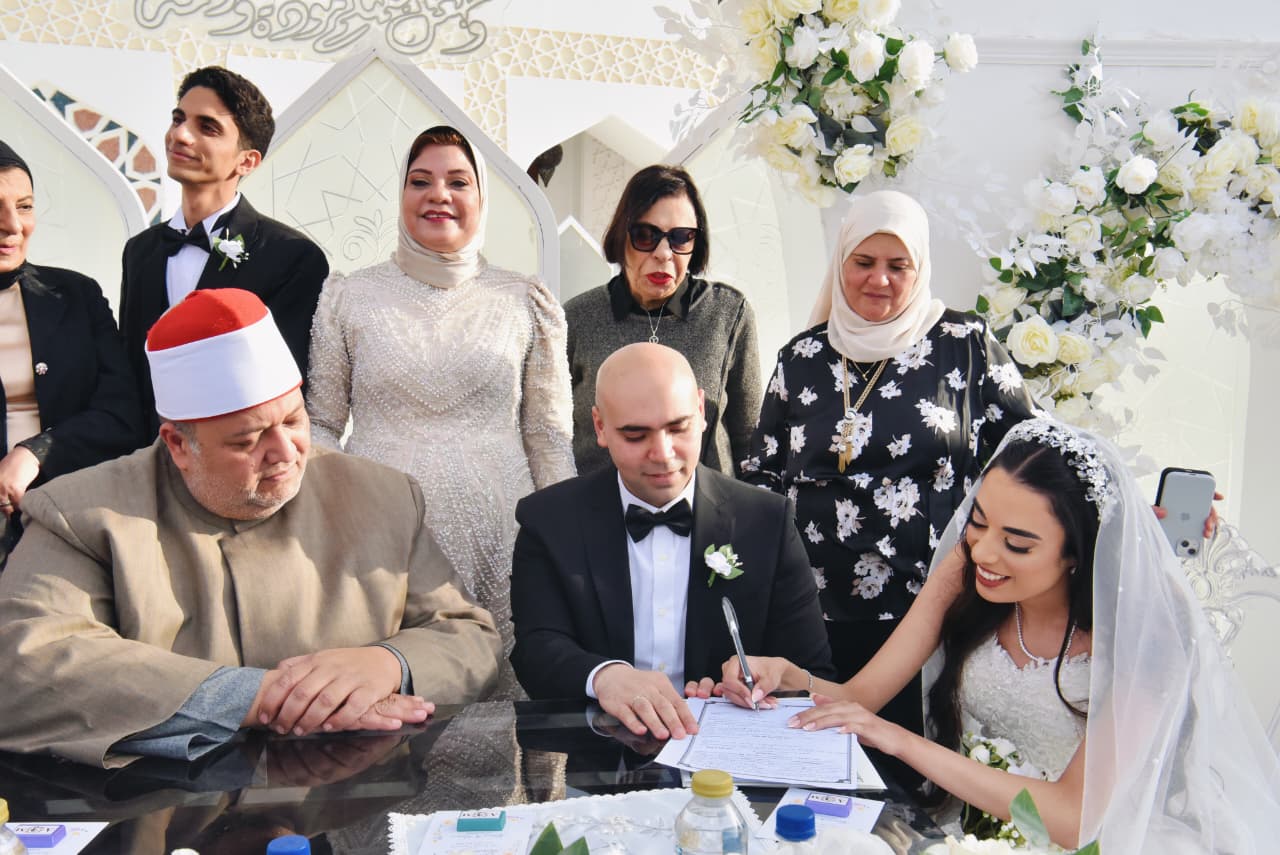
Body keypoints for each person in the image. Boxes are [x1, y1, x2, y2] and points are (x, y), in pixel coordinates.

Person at [723, 418, 1280, 850]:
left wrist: (898, 740)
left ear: (1077, 553)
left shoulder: (1148, 642)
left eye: (1018, 543)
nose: (985, 553)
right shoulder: (965, 571)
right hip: (973, 832)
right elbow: (856, 699)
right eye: (978, 521)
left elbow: (1074, 818)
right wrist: (789, 678)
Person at [0, 288, 500, 767]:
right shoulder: (81, 515)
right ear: (178, 445)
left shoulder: (382, 495)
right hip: (166, 809)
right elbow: (26, 665)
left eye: (294, 420)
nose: (284, 452)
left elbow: (468, 638)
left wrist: (388, 665)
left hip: (350, 806)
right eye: (247, 440)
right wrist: (255, 697)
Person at [740, 190, 1035, 734]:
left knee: (912, 754)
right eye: (863, 262)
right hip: (810, 609)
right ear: (841, 262)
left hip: (928, 608)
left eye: (898, 266)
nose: (879, 279)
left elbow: (1030, 450)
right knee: (815, 744)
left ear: (919, 268)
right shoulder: (802, 357)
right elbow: (762, 476)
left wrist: (1112, 507)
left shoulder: (963, 343)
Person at [306, 125, 575, 698]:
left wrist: (571, 548)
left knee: (504, 691)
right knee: (388, 692)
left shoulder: (525, 301)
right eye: (420, 181)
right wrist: (331, 520)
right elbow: (321, 423)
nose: (438, 195)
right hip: (379, 536)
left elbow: (547, 436)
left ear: (482, 197)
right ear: (401, 194)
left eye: (458, 181)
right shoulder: (348, 297)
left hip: (502, 539)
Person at [509, 343, 832, 739]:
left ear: (701, 411)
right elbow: (536, 649)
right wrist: (603, 677)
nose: (662, 454)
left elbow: (812, 669)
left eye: (678, 428)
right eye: (635, 434)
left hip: (732, 751)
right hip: (602, 751)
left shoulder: (766, 520)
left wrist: (767, 678)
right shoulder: (549, 520)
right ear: (600, 427)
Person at [119, 65, 328, 438]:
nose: (180, 135)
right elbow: (131, 370)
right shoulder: (139, 252)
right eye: (178, 119)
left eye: (207, 127)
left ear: (247, 161)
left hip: (238, 457)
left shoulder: (292, 257)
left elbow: (281, 389)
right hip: (143, 456)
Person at [565, 164, 761, 477]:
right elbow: (553, 434)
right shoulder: (576, 318)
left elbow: (748, 439)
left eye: (681, 238)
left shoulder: (727, 313)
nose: (663, 253)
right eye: (645, 235)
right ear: (621, 235)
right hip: (598, 502)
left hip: (705, 503)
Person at [0, 141, 143, 569]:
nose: (12, 225)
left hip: (69, 525)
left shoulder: (77, 295)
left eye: (24, 207)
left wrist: (36, 452)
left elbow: (122, 416)